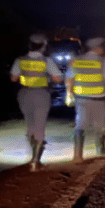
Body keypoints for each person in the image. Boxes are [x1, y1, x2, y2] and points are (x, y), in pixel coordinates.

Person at [10, 33, 63, 171]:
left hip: (24, 94)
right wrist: (48, 79)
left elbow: (13, 78)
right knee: (40, 126)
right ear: (44, 46)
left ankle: (32, 154)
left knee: (30, 125)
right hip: (41, 95)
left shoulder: (20, 60)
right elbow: (57, 78)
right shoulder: (47, 61)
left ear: (29, 45)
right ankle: (35, 161)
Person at [65, 37, 105, 162]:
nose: (103, 49)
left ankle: (77, 156)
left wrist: (69, 94)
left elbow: (69, 79)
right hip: (98, 99)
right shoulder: (102, 62)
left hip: (81, 98)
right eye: (102, 47)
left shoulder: (77, 60)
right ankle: (101, 151)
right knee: (101, 126)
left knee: (80, 125)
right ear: (97, 48)